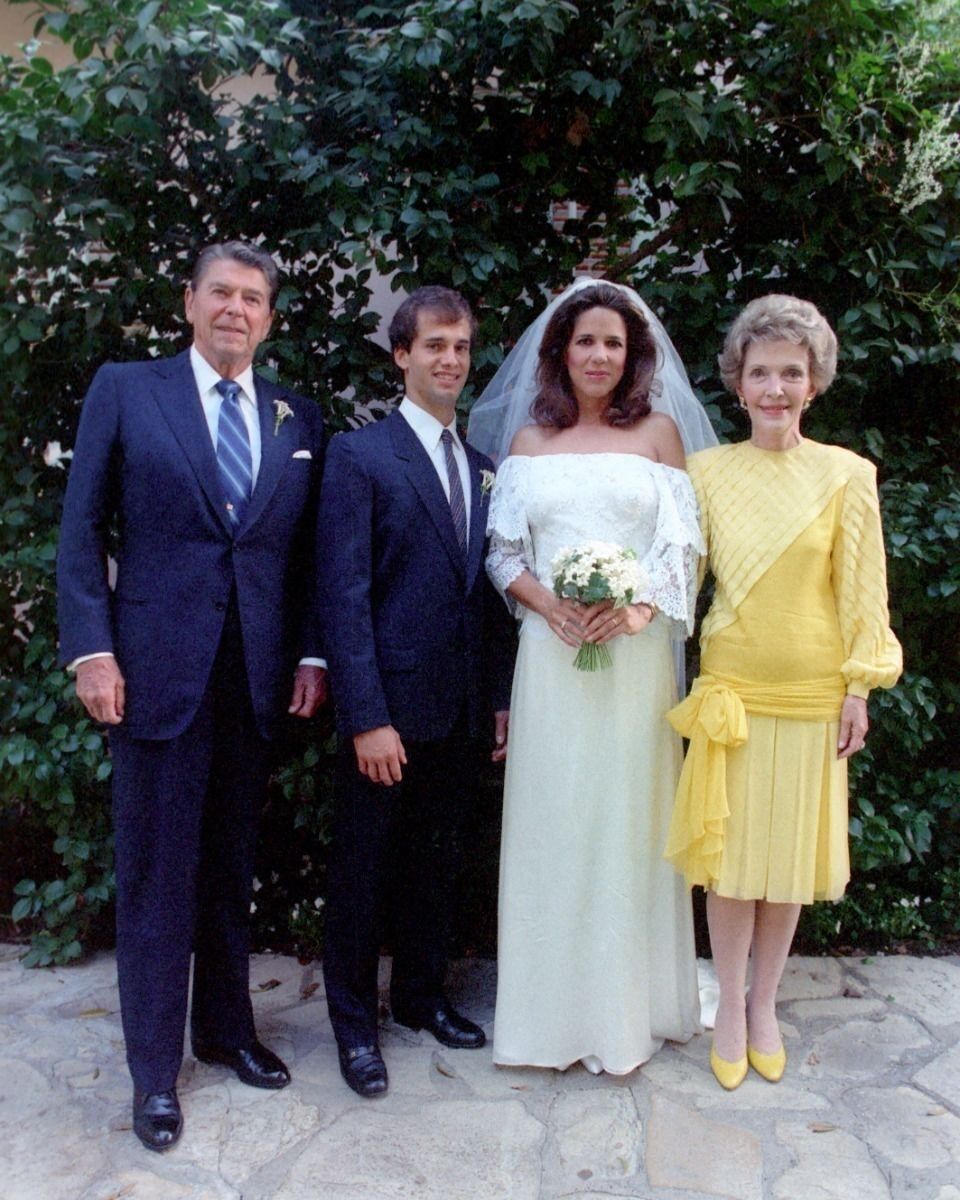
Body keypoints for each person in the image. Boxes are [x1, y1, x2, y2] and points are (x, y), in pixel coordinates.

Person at [57, 241, 327, 1150]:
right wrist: (92, 650)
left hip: (253, 683)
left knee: (228, 873)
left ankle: (225, 1032)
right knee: (157, 880)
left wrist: (313, 656)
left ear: (269, 318)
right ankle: (151, 1074)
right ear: (189, 301)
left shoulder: (298, 418)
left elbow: (303, 556)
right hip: (153, 678)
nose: (236, 310)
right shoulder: (127, 390)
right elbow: (82, 528)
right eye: (221, 292)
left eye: (254, 298)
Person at [469, 279, 717, 1074]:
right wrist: (547, 604)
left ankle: (626, 1013)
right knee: (555, 817)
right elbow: (503, 553)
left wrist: (639, 611)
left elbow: (684, 549)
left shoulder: (659, 434)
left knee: (627, 819)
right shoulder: (529, 446)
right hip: (551, 657)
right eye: (585, 342)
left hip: (634, 660)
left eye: (613, 342)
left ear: (633, 354)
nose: (599, 355)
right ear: (560, 353)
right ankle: (546, 1019)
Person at [664, 294, 902, 1089]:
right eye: (760, 372)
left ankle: (766, 1004)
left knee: (790, 861)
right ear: (737, 383)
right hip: (731, 685)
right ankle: (728, 1006)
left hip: (810, 692)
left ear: (814, 384)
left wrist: (861, 686)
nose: (774, 387)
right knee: (731, 861)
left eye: (790, 373)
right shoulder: (706, 472)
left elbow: (864, 591)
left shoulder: (847, 475)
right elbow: (678, 584)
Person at [317, 285, 514, 1098]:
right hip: (386, 716)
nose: (449, 360)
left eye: (461, 347)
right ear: (402, 355)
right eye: (434, 345)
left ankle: (422, 998)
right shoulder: (360, 457)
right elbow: (342, 594)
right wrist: (365, 717)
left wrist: (499, 699)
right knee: (364, 873)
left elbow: (491, 597)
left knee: (436, 865)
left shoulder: (483, 469)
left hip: (462, 710)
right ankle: (354, 1028)